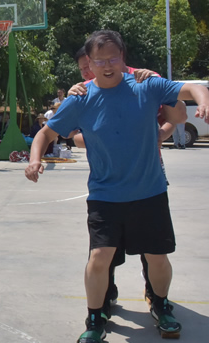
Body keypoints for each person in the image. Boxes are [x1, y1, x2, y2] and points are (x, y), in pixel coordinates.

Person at [25, 30, 209, 343]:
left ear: (123, 58)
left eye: (112, 58)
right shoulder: (81, 98)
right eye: (99, 61)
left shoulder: (145, 85)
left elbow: (194, 89)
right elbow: (45, 134)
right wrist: (34, 160)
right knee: (100, 257)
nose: (106, 65)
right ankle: (95, 318)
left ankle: (160, 303)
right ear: (89, 64)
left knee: (157, 257)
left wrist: (206, 103)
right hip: (105, 195)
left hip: (149, 191)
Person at [70, 45, 188, 319]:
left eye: (89, 66)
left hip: (147, 175)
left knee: (153, 247)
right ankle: (104, 297)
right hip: (109, 179)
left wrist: (160, 134)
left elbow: (175, 115)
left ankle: (156, 295)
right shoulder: (86, 91)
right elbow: (73, 135)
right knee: (103, 248)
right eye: (84, 69)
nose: (87, 73)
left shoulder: (144, 79)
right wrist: (100, 137)